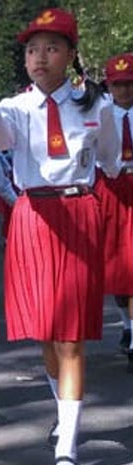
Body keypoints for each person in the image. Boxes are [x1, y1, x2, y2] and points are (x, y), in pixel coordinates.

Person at [0, 8, 119, 465]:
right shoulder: (14, 107)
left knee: (72, 336)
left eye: (52, 47)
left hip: (78, 213)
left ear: (71, 54)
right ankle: (64, 407)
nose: (40, 57)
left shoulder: (93, 106)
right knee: (46, 329)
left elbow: (112, 160)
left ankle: (68, 448)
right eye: (33, 49)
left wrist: (102, 155)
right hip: (33, 217)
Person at [97, 53, 133, 368]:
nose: (123, 90)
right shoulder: (100, 115)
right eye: (117, 84)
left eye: (129, 83)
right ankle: (126, 323)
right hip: (110, 190)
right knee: (115, 264)